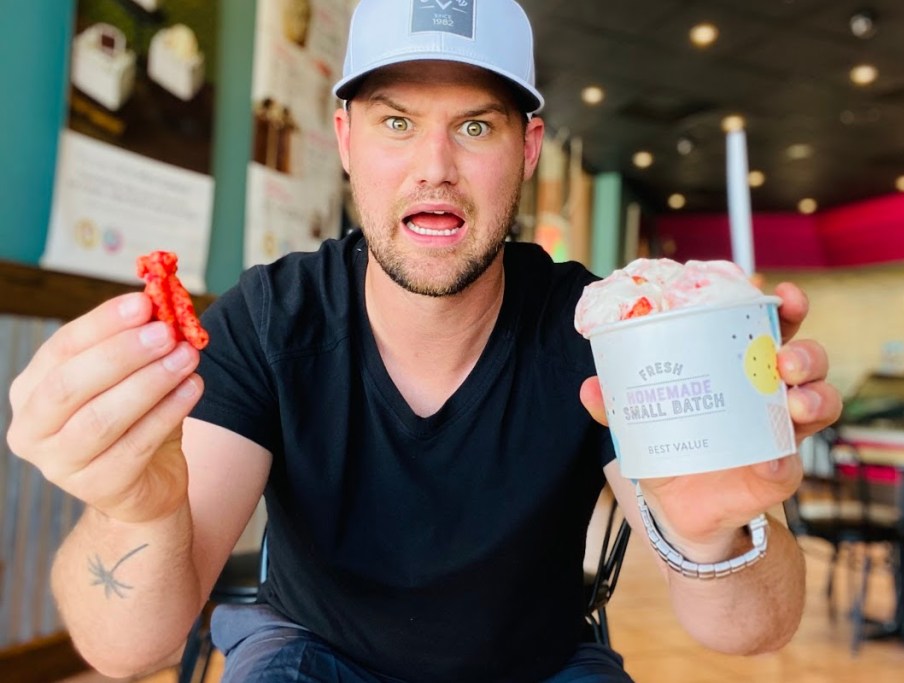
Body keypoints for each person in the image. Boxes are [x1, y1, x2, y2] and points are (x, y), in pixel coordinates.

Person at [6, 0, 842, 681]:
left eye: (476, 127)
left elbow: (750, 632)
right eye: (397, 122)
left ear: (528, 148)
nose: (434, 165)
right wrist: (135, 509)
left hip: (539, 664)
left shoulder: (598, 327)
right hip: (312, 652)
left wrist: (711, 538)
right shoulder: (272, 316)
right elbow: (128, 649)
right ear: (344, 139)